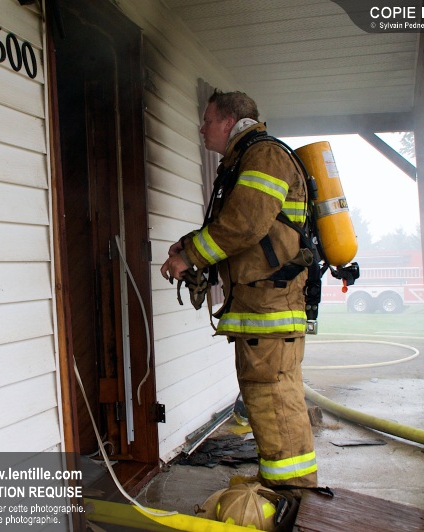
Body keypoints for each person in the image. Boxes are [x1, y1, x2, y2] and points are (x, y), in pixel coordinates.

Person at [160, 90, 317, 489]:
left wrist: (190, 256)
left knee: (273, 400)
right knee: (267, 400)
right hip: (260, 305)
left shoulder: (263, 156)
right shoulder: (245, 158)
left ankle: (292, 493)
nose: (202, 128)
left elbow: (245, 225)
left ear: (229, 122)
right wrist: (190, 245)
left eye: (207, 120)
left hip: (270, 305)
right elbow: (240, 227)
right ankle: (283, 487)